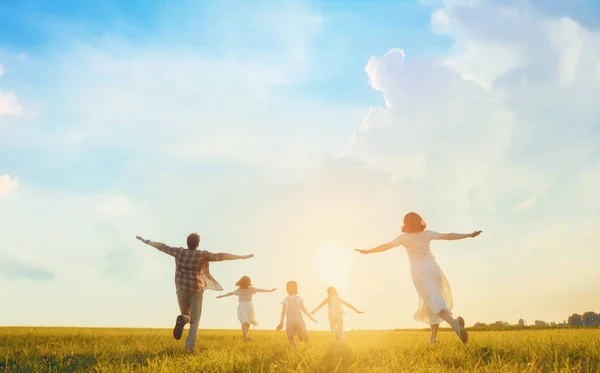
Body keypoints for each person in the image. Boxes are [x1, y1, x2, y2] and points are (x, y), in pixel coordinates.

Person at [355, 212, 482, 344]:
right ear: (420, 221)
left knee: (434, 302)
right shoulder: (427, 234)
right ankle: (433, 339)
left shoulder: (403, 238)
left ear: (405, 223)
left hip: (418, 271)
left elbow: (385, 246)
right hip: (433, 268)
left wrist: (368, 251)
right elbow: (448, 236)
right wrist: (468, 235)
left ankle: (454, 324)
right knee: (431, 302)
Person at [135, 233, 254, 351]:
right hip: (196, 290)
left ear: (188, 243)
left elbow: (162, 246)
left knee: (186, 314)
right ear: (198, 244)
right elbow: (221, 256)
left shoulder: (179, 252)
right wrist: (241, 257)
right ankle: (189, 347)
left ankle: (183, 318)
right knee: (195, 320)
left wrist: (146, 241)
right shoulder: (202, 255)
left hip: (181, 289)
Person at [216, 275, 276, 341]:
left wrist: (270, 290)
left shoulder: (251, 289)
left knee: (248, 322)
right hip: (242, 306)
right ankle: (245, 337)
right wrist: (221, 296)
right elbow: (231, 293)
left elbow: (261, 290)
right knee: (245, 321)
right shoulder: (239, 290)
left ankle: (245, 336)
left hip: (249, 306)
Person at [276, 281, 317, 350]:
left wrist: (281, 322)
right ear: (296, 288)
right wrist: (310, 317)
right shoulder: (298, 298)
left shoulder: (286, 299)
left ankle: (295, 349)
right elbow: (304, 309)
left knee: (290, 337)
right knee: (303, 337)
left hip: (290, 320)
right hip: (298, 319)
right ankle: (301, 334)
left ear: (287, 289)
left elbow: (283, 312)